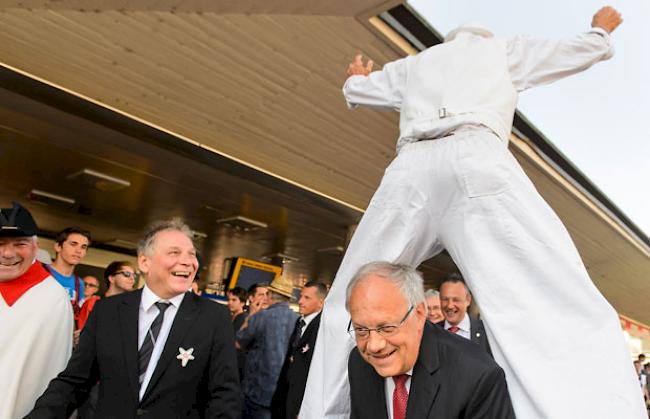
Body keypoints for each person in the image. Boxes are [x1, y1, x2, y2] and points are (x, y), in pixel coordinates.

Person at [301, 6, 646, 418]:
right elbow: (570, 52)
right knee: (543, 296)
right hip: (477, 160)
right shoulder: (499, 51)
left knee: (347, 299)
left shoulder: (418, 64)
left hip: (410, 168)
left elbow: (359, 90)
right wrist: (600, 33)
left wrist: (358, 77)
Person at [27, 218, 241, 418]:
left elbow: (225, 396)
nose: (187, 262)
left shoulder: (213, 318)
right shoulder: (107, 312)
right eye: (174, 253)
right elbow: (74, 382)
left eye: (191, 254)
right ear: (144, 262)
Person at [346, 262, 514, 418]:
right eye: (361, 330)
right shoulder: (358, 362)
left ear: (419, 314)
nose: (374, 345)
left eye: (387, 328)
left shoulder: (478, 375)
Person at [0, 202, 73, 419]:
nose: (7, 253)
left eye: (20, 244)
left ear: (35, 247)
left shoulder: (53, 299)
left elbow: (51, 371)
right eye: (1, 243)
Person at [236, 276, 299, 419]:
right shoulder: (297, 320)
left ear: (270, 295)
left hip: (257, 390)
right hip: (282, 392)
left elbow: (239, 342)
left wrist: (251, 314)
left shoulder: (261, 317)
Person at [272, 281, 328, 419]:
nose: (300, 301)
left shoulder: (322, 329)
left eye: (307, 298)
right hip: (284, 400)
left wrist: (304, 409)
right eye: (301, 296)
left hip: (300, 406)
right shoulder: (300, 322)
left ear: (321, 303)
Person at [45, 226, 91, 326]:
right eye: (73, 244)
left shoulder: (79, 283)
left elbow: (75, 315)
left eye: (83, 247)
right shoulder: (41, 273)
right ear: (58, 246)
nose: (79, 251)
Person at [437, 274, 491, 354]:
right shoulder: (431, 333)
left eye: (456, 300)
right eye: (445, 299)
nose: (449, 305)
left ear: (468, 300)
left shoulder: (486, 332)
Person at [77, 261, 136, 330]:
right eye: (127, 274)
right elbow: (82, 333)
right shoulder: (92, 303)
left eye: (134, 276)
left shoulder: (131, 308)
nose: (132, 279)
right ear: (111, 278)